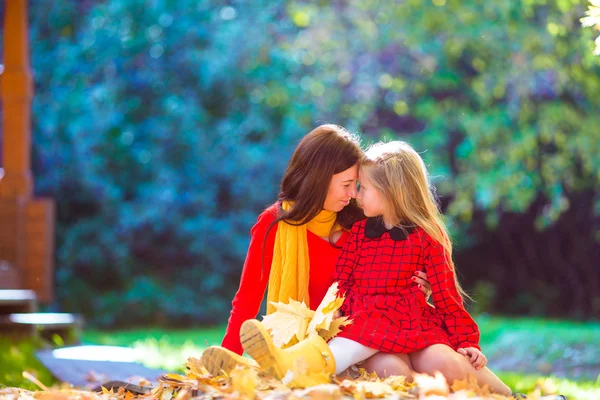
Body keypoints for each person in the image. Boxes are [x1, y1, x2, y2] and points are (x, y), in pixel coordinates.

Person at [240, 140, 512, 394]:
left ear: (389, 193)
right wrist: (334, 312)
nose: (356, 196)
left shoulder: (427, 237)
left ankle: (513, 397)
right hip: (368, 322)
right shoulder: (359, 231)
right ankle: (295, 368)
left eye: (363, 188)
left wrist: (467, 342)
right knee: (391, 370)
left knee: (447, 362)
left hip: (410, 323)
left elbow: (447, 296)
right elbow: (342, 280)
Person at [200, 126, 432, 377]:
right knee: (395, 370)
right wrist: (226, 362)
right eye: (346, 184)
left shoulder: (361, 224)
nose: (353, 194)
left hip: (362, 336)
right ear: (319, 180)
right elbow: (246, 300)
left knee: (405, 369)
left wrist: (422, 287)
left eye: (356, 185)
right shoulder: (273, 224)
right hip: (309, 343)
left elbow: (393, 277)